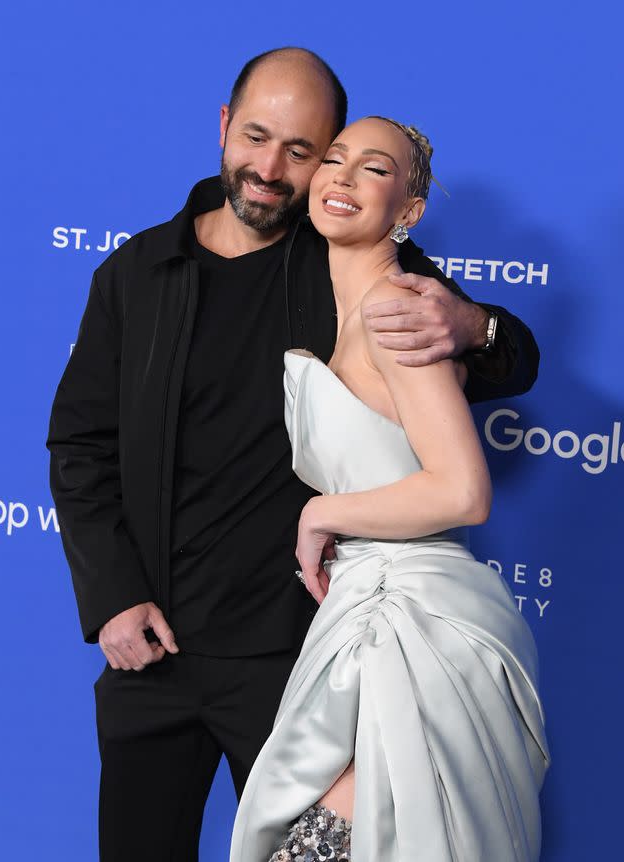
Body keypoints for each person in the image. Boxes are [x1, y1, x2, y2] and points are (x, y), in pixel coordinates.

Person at [46, 48, 541, 861]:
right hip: (153, 650)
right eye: (255, 137)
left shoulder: (346, 258)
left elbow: (503, 355)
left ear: (324, 161)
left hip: (296, 653)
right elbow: (78, 446)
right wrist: (111, 600)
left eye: (302, 152)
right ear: (223, 127)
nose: (270, 169)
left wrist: (473, 325)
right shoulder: (135, 272)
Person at [229, 117, 550, 862]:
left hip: (411, 626)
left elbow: (464, 491)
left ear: (408, 211)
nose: (341, 176)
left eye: (374, 169)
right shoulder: (343, 311)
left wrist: (321, 512)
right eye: (334, 159)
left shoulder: (400, 313)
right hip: (361, 608)